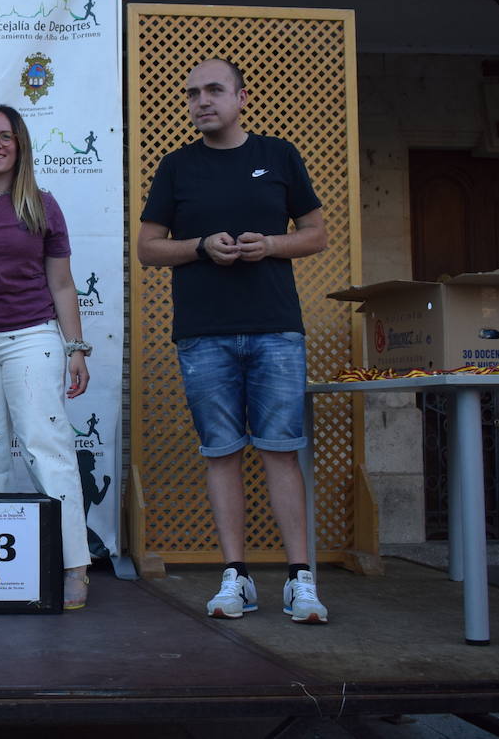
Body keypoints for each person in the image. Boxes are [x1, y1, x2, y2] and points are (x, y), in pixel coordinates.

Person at [136, 58, 329, 624]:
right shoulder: (176, 167)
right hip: (204, 335)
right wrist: (200, 247)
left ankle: (301, 581)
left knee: (280, 450)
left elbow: (316, 234)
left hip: (275, 329)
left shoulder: (279, 156)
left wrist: (269, 245)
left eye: (214, 90)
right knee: (220, 454)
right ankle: (236, 577)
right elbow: (148, 248)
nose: (201, 101)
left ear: (241, 97)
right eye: (192, 92)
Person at [0, 104, 92, 609]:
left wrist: (75, 347)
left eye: (5, 136)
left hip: (32, 335)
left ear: (20, 143)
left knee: (45, 446)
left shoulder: (43, 205)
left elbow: (63, 283)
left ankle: (74, 564)